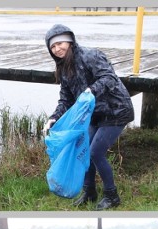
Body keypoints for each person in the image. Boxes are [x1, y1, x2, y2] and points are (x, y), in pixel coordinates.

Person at [43, 24, 134, 210]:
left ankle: (112, 196)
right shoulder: (64, 68)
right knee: (82, 150)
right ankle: (89, 192)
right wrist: (53, 118)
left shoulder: (91, 55)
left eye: (60, 43)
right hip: (94, 116)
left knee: (95, 152)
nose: (57, 49)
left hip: (116, 110)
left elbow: (109, 78)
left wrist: (91, 91)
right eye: (52, 47)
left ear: (70, 40)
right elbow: (66, 100)